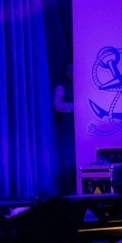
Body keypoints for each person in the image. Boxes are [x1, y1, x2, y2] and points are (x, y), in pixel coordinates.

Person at [53, 63, 75, 194]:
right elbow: (57, 105)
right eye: (69, 70)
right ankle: (69, 190)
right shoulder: (61, 87)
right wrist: (74, 106)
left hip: (78, 126)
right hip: (66, 125)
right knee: (67, 158)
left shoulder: (82, 86)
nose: (71, 73)